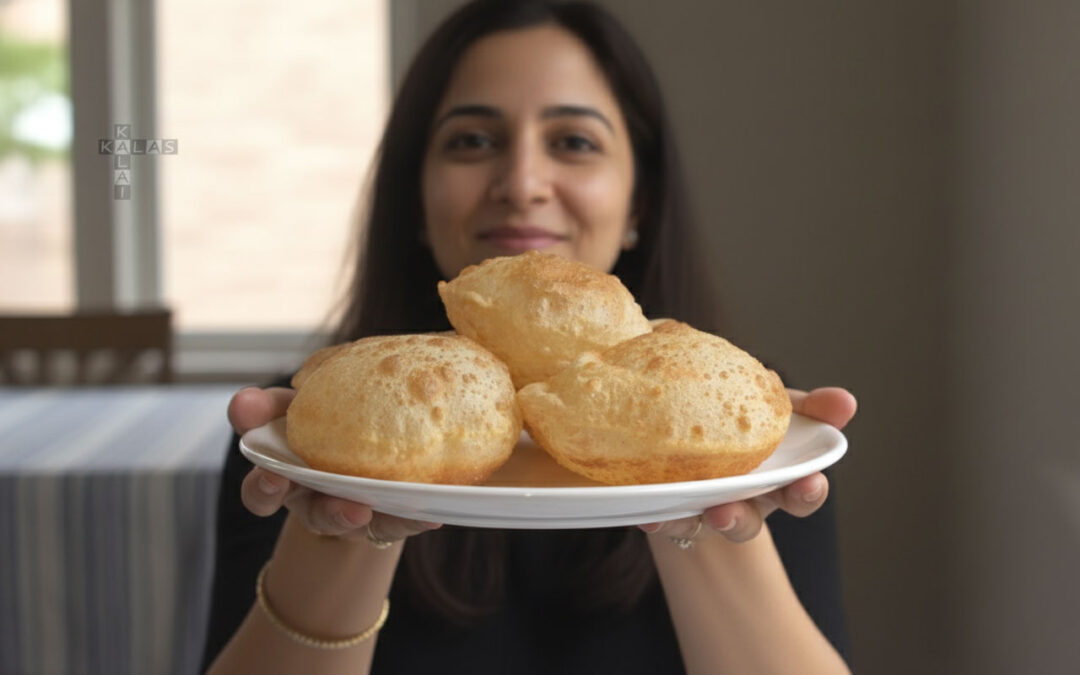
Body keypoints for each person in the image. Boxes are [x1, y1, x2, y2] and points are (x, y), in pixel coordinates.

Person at [201, 1, 857, 673]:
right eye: (472, 141)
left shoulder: (763, 428)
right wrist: (339, 511)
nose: (521, 184)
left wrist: (700, 484)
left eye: (573, 141)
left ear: (639, 201)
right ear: (417, 197)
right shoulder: (294, 428)